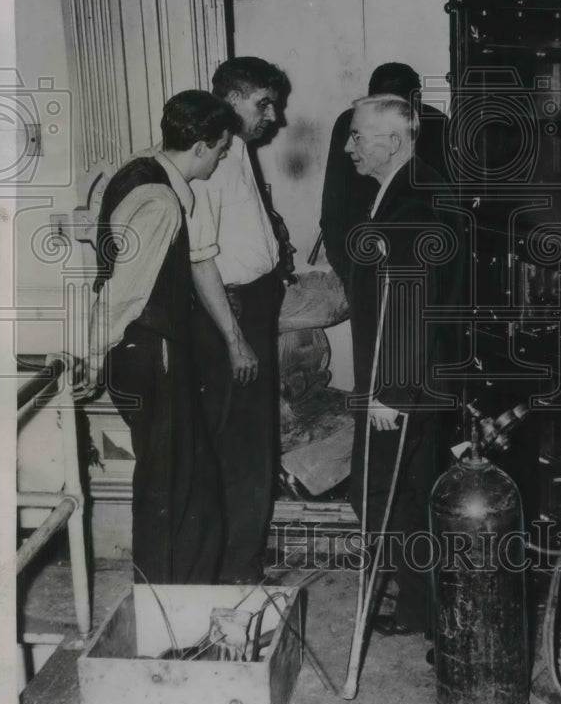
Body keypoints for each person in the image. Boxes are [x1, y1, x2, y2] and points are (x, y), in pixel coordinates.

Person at [85, 90, 239, 584]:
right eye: (220, 148)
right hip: (153, 350)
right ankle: (172, 602)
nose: (222, 157)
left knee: (166, 479)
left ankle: (162, 594)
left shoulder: (134, 172)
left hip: (138, 353)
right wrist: (88, 352)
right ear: (200, 146)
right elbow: (125, 289)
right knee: (180, 486)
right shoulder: (161, 201)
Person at [345, 95, 467, 638]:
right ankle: (431, 613)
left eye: (357, 136)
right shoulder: (409, 189)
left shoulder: (412, 203)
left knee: (376, 493)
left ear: (391, 142)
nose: (349, 147)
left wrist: (389, 394)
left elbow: (411, 304)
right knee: (415, 495)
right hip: (424, 376)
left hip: (405, 380)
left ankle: (439, 612)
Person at [189, 56, 291, 584]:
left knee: (255, 440)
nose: (274, 116)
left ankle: (241, 560)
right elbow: (199, 256)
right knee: (243, 445)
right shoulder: (212, 159)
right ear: (231, 101)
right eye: (263, 104)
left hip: (255, 301)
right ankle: (235, 569)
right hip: (233, 309)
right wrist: (234, 337)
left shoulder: (238, 150)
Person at [320, 62, 450, 287]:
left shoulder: (437, 125)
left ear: (415, 101)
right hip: (364, 254)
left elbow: (448, 203)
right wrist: (348, 271)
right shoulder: (349, 124)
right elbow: (334, 206)